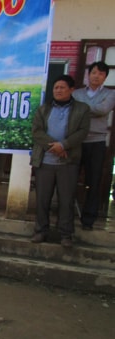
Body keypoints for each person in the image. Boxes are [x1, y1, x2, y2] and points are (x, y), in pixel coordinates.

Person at [30, 75, 91, 248]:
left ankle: (66, 234)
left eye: (62, 87)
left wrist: (64, 145)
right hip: (45, 161)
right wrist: (54, 146)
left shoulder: (82, 109)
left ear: (71, 90)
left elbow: (83, 131)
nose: (58, 90)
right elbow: (37, 131)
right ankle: (41, 231)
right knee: (42, 199)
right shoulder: (44, 109)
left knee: (66, 200)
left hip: (68, 162)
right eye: (56, 87)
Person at [72, 61, 115, 230]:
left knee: (93, 180)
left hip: (96, 142)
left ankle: (88, 219)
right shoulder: (78, 93)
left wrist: (82, 108)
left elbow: (103, 110)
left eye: (101, 73)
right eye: (94, 72)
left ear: (105, 77)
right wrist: (91, 109)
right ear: (88, 75)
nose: (96, 76)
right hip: (77, 141)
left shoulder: (110, 94)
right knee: (70, 178)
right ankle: (66, 214)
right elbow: (73, 111)